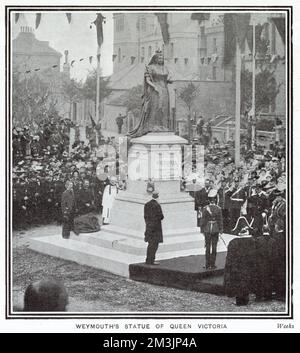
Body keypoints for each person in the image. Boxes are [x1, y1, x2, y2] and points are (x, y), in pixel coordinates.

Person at [128, 50, 172, 137]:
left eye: (162, 58)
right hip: (154, 90)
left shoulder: (165, 68)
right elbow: (147, 80)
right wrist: (154, 86)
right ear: (155, 58)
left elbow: (165, 79)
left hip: (164, 89)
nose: (161, 59)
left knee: (164, 107)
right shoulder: (150, 67)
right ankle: (152, 126)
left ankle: (163, 126)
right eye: (159, 57)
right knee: (155, 107)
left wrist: (169, 81)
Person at [201, 189, 223, 269]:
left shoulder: (205, 208)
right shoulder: (218, 208)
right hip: (215, 229)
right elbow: (220, 220)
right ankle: (213, 264)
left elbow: (203, 220)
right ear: (215, 199)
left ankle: (207, 264)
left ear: (209, 200)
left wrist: (202, 230)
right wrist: (221, 229)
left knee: (207, 247)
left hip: (207, 229)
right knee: (214, 247)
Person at [144, 191, 164, 265]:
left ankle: (148, 260)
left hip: (149, 227)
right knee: (154, 245)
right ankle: (151, 260)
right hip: (156, 229)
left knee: (150, 245)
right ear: (157, 196)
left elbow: (145, 216)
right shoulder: (157, 205)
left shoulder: (146, 204)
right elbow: (161, 216)